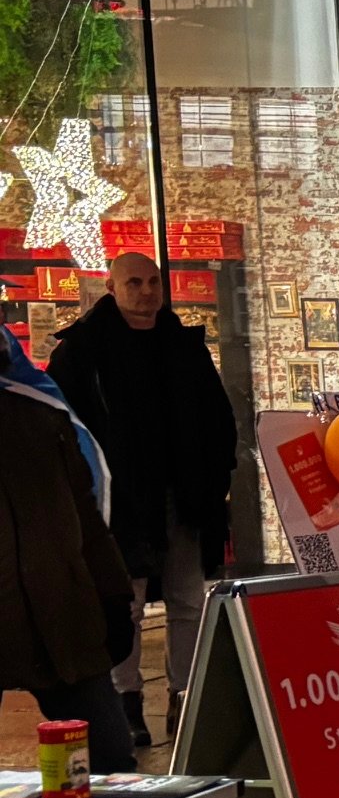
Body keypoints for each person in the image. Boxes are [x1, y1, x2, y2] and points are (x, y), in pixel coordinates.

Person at [0, 328, 146, 798]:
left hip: (61, 613)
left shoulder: (37, 405)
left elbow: (83, 511)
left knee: (110, 759)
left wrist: (113, 596)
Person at [47, 252, 235, 747]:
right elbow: (63, 430)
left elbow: (217, 417)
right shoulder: (81, 351)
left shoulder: (183, 345)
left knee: (188, 599)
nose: (147, 291)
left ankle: (185, 698)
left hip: (183, 494)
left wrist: (216, 476)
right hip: (119, 499)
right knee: (124, 602)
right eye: (135, 282)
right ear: (111, 287)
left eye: (154, 281)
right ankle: (126, 702)